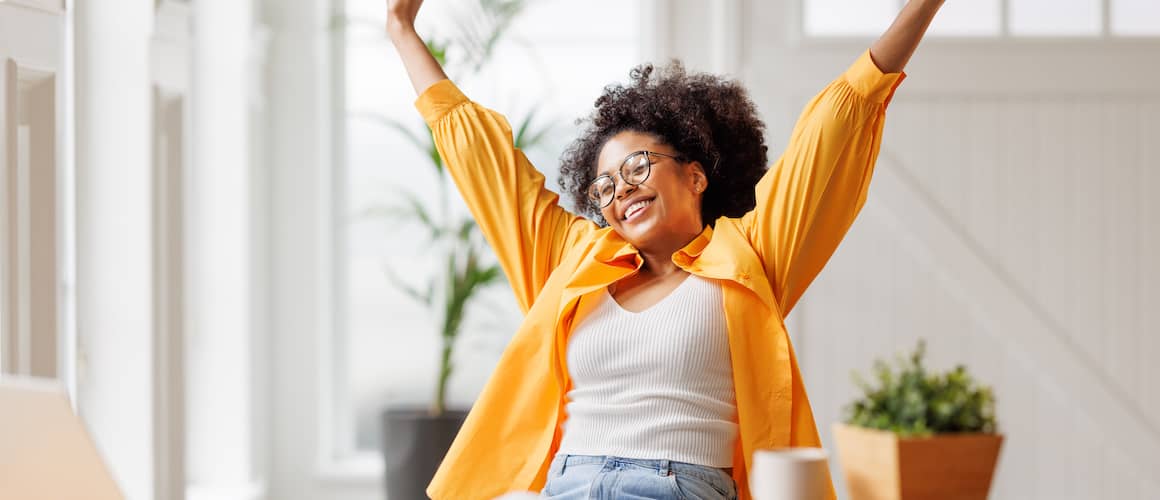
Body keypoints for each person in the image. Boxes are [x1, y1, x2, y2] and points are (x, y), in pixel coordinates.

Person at [386, 1, 945, 499]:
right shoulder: (575, 261)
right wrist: (403, 31)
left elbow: (835, 129)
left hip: (676, 485)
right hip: (566, 483)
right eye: (603, 187)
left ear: (696, 175)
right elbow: (486, 165)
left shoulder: (750, 255)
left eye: (636, 166)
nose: (619, 190)